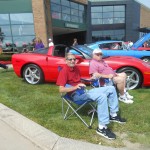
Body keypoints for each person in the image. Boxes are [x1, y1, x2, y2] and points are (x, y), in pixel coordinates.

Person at [56, 53, 126, 140]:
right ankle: (101, 128)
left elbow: (78, 81)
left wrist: (90, 80)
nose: (72, 61)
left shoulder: (76, 68)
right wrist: (75, 87)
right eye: (70, 59)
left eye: (74, 59)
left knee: (111, 88)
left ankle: (113, 115)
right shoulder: (64, 71)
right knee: (102, 96)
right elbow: (61, 89)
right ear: (66, 60)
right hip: (76, 96)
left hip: (84, 91)